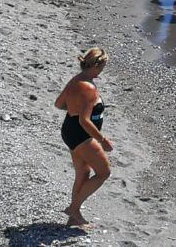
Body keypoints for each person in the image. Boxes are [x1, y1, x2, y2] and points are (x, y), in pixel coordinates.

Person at [55, 48, 112, 228]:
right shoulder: (89, 88)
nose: (103, 70)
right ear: (97, 65)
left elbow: (59, 104)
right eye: (103, 66)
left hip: (70, 131)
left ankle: (74, 218)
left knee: (83, 172)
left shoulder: (76, 80)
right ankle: (74, 208)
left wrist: (74, 108)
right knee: (104, 172)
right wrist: (103, 140)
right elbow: (84, 121)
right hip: (81, 135)